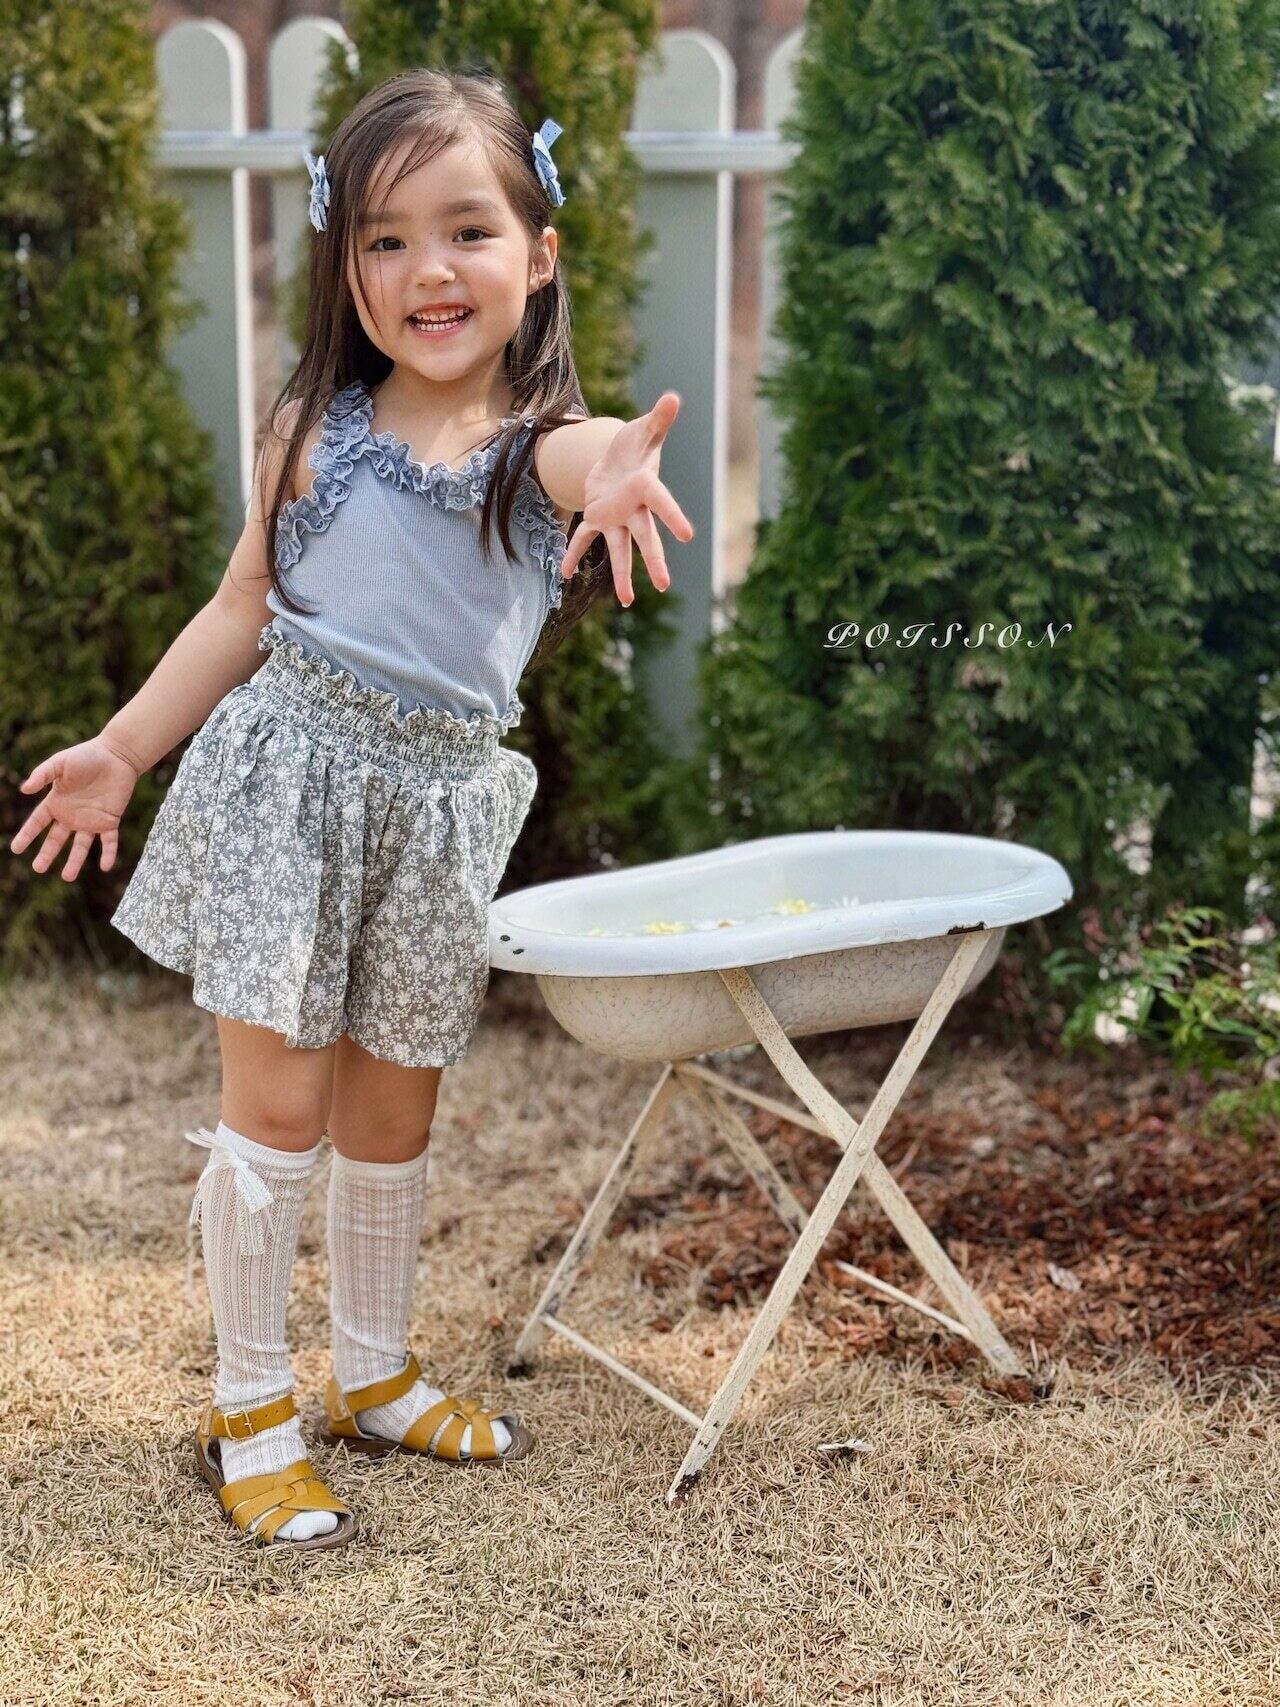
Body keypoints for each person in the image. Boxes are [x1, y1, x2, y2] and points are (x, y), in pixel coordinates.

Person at [8, 67, 692, 1552]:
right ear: (345, 266)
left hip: (438, 816)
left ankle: (372, 1374)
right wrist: (124, 748)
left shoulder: (534, 453)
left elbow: (581, 452)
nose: (428, 270)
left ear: (539, 255)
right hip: (289, 789)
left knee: (395, 1109)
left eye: (467, 231)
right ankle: (250, 1409)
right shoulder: (310, 426)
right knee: (277, 1112)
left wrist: (619, 464)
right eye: (385, 239)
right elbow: (242, 607)